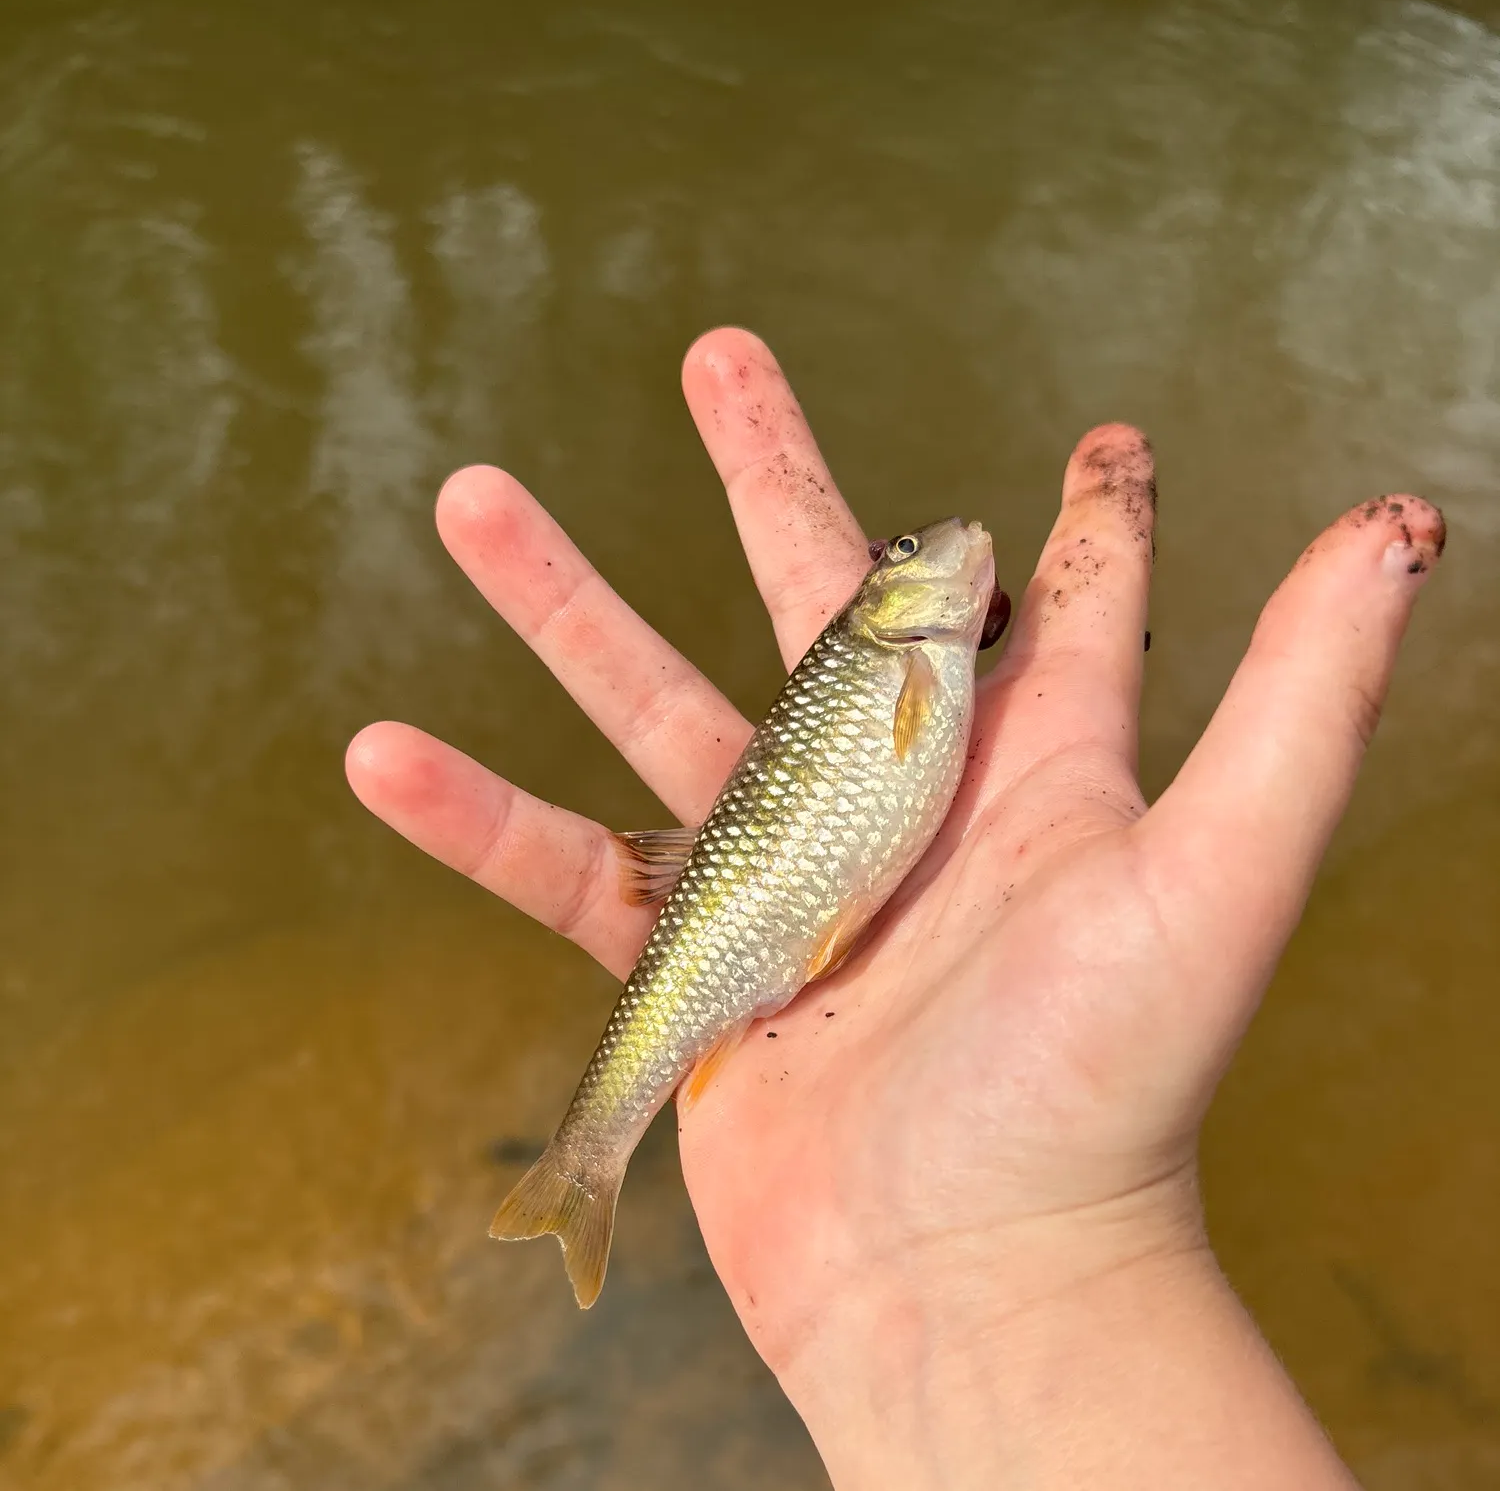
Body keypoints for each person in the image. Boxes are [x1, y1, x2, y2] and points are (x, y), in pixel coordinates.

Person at [345, 328, 1445, 1489]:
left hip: (760, 916)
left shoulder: (921, 660)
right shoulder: (898, 654)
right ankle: (585, 1162)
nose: (952, 545)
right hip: (746, 925)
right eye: (914, 551)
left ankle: (583, 1169)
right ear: (890, 597)